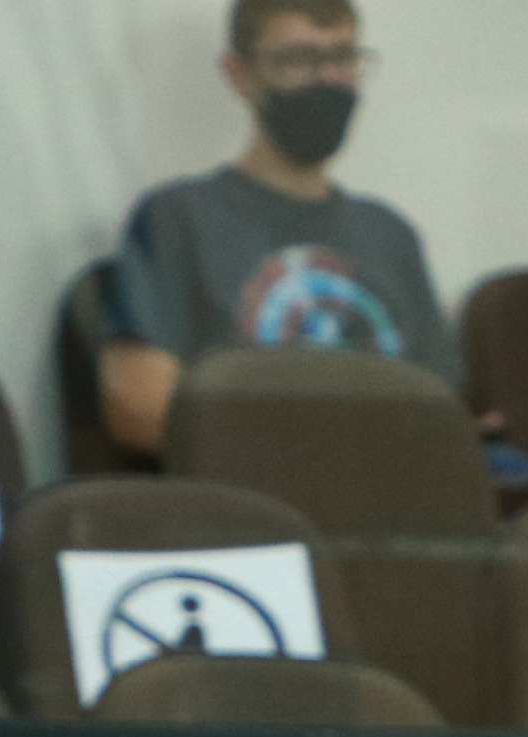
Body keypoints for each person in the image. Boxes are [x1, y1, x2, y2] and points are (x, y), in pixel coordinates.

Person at [98, 0, 464, 465]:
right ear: (240, 75)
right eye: (298, 59)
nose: (327, 79)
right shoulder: (178, 219)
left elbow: (442, 410)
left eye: (343, 57)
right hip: (247, 493)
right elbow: (139, 409)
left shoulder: (390, 235)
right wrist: (302, 458)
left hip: (387, 492)